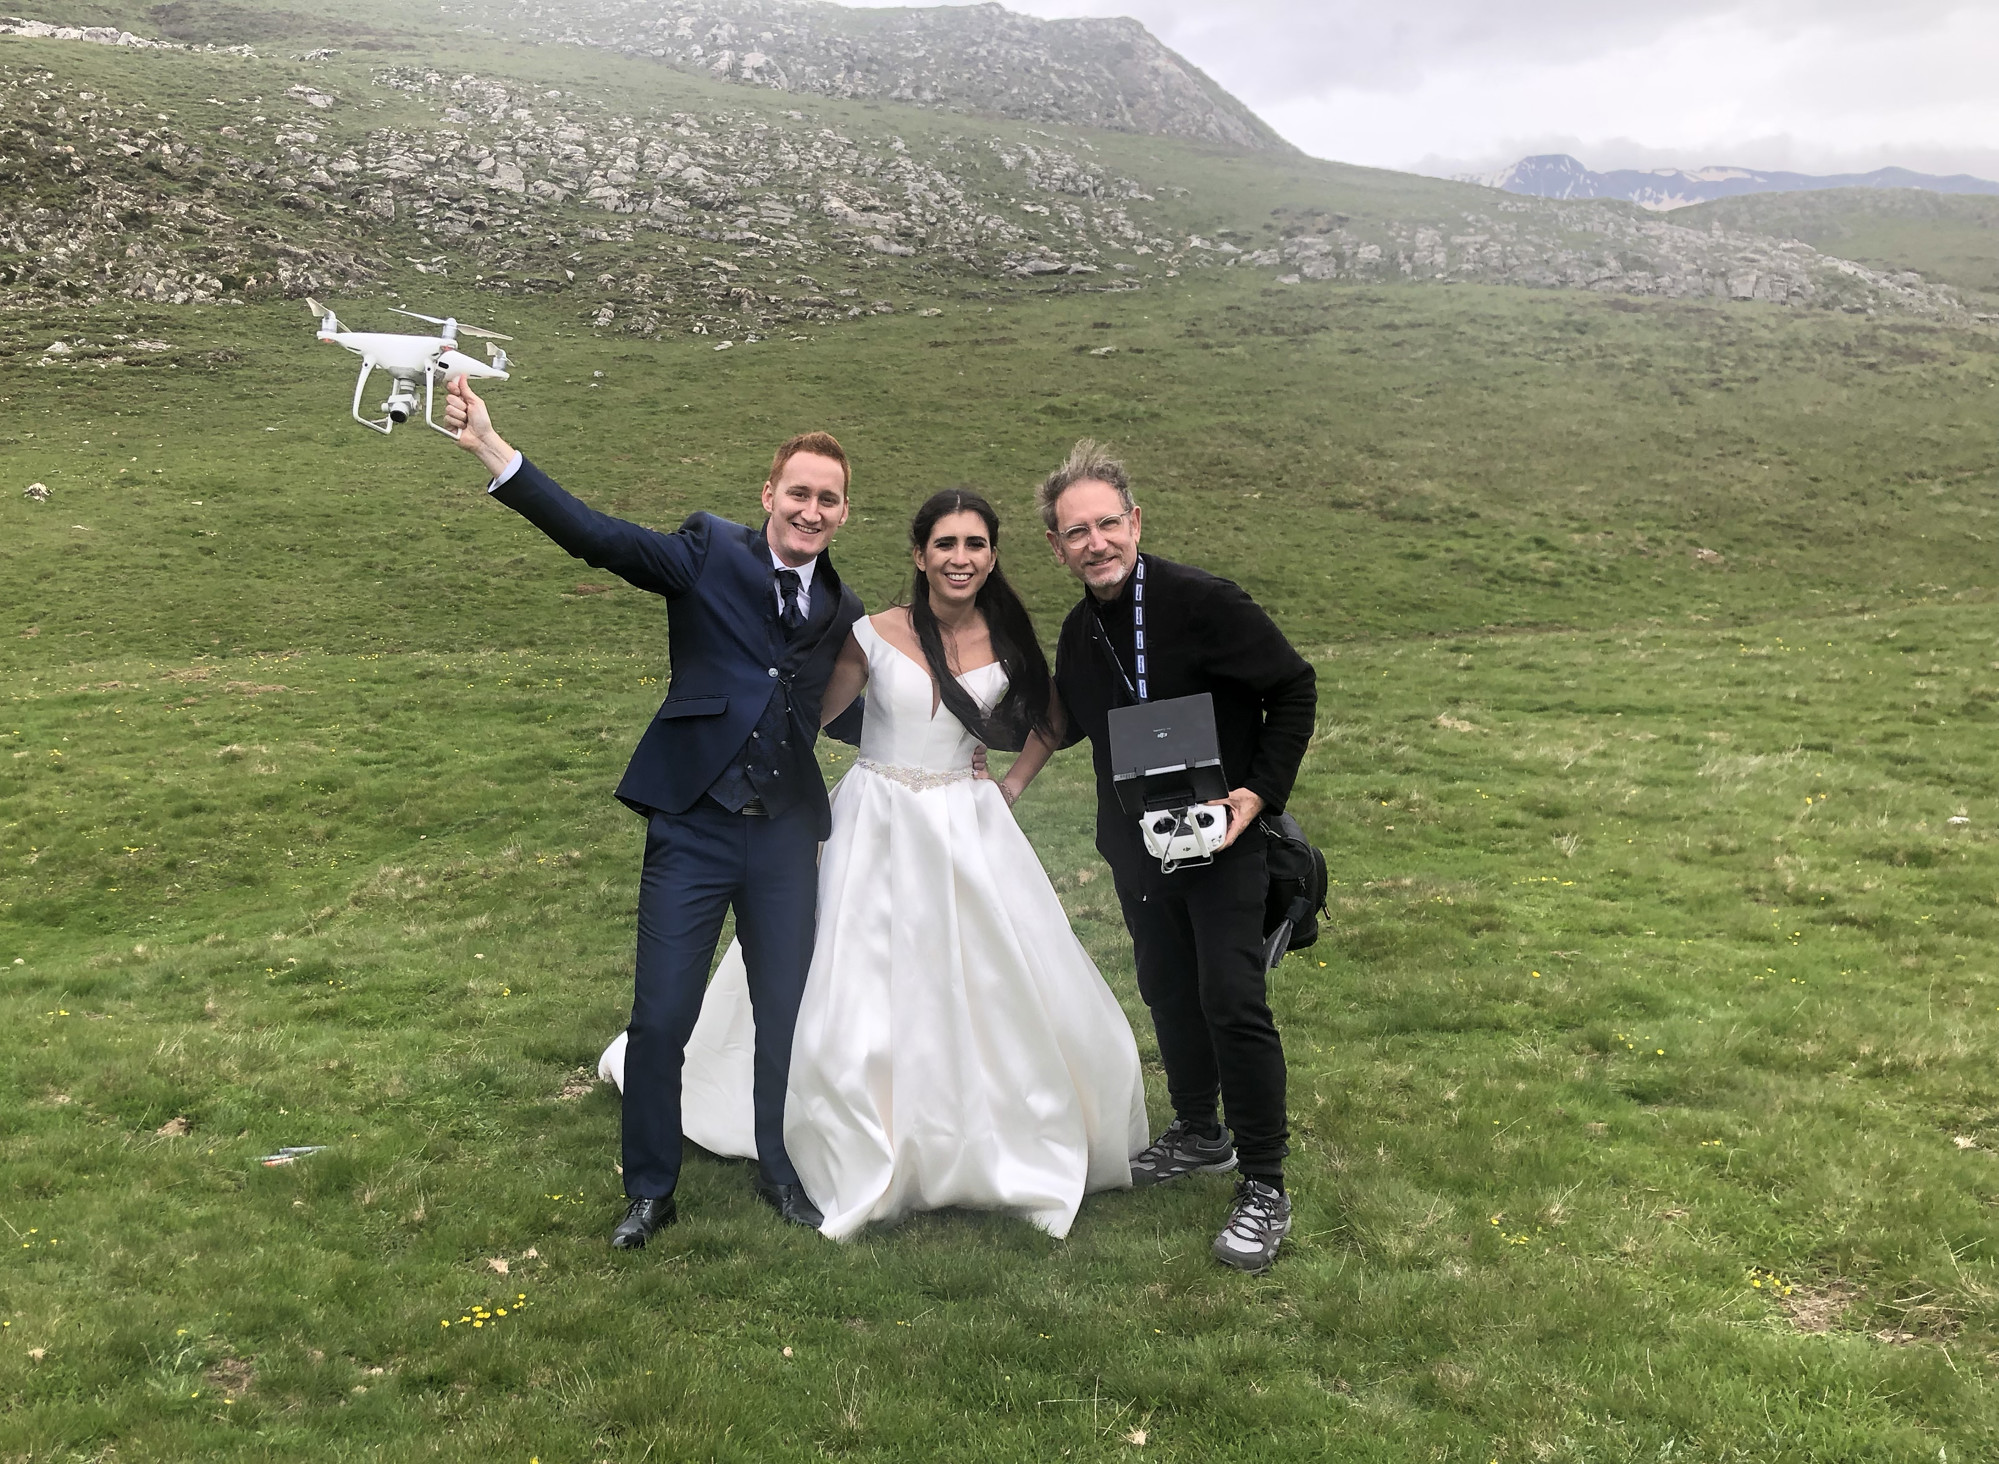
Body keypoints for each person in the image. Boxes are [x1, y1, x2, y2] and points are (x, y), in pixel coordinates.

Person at [601, 490, 1149, 1238]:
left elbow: (1052, 720)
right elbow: (805, 716)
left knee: (988, 979)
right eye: (946, 544)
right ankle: (819, 1130)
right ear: (920, 554)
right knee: (842, 983)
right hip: (874, 816)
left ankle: (977, 1125)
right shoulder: (871, 632)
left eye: (976, 545)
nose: (961, 558)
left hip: (966, 824)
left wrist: (1012, 784)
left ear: (992, 555)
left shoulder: (1009, 637)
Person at [441, 375, 865, 1248]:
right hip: (695, 828)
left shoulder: (841, 609)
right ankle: (649, 1190)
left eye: (827, 499)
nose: (810, 510)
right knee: (662, 1016)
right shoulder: (708, 551)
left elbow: (862, 707)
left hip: (786, 839)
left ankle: (778, 1172)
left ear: (843, 512)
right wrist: (492, 447)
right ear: (769, 495)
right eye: (798, 493)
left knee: (781, 1015)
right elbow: (598, 539)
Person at [999, 440, 1318, 1273]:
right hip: (1139, 848)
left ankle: (1263, 1182)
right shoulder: (1077, 630)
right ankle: (1199, 1130)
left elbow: (1292, 687)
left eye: (1108, 524)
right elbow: (1062, 722)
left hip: (1223, 838)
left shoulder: (1204, 602)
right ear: (1056, 547)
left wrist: (1254, 798)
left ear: (1134, 522)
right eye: (1076, 532)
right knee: (1167, 990)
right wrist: (977, 762)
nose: (1095, 543)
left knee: (1231, 998)